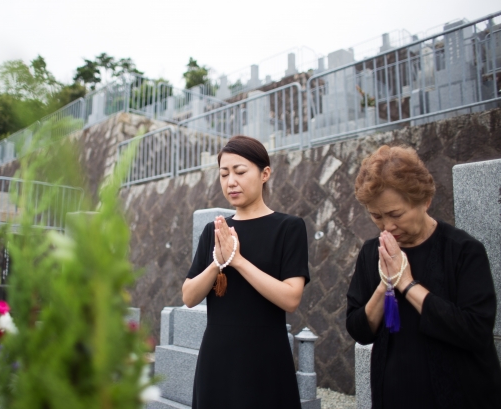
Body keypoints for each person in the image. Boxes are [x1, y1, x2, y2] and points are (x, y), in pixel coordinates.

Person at [346, 145, 501, 409]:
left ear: (425, 200)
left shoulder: (463, 250)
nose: (387, 226)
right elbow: (359, 330)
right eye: (376, 216)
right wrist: (386, 283)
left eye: (396, 214)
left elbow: (475, 332)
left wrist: (406, 283)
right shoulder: (374, 253)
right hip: (394, 395)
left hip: (463, 395)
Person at [182, 135, 309, 409]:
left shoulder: (288, 228)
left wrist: (237, 260)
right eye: (224, 174)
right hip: (217, 357)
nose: (231, 181)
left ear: (265, 174)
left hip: (266, 359)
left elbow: (291, 298)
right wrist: (218, 263)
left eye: (240, 172)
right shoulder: (214, 231)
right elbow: (189, 297)